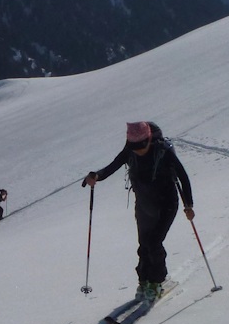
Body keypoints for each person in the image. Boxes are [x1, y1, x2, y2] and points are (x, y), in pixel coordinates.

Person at [83, 121, 194, 304]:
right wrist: (97, 175)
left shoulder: (163, 152)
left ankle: (157, 281)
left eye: (140, 146)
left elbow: (183, 177)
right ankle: (144, 281)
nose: (138, 151)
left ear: (149, 140)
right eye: (134, 147)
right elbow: (113, 166)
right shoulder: (130, 151)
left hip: (166, 204)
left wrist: (188, 205)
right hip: (144, 204)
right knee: (144, 244)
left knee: (154, 242)